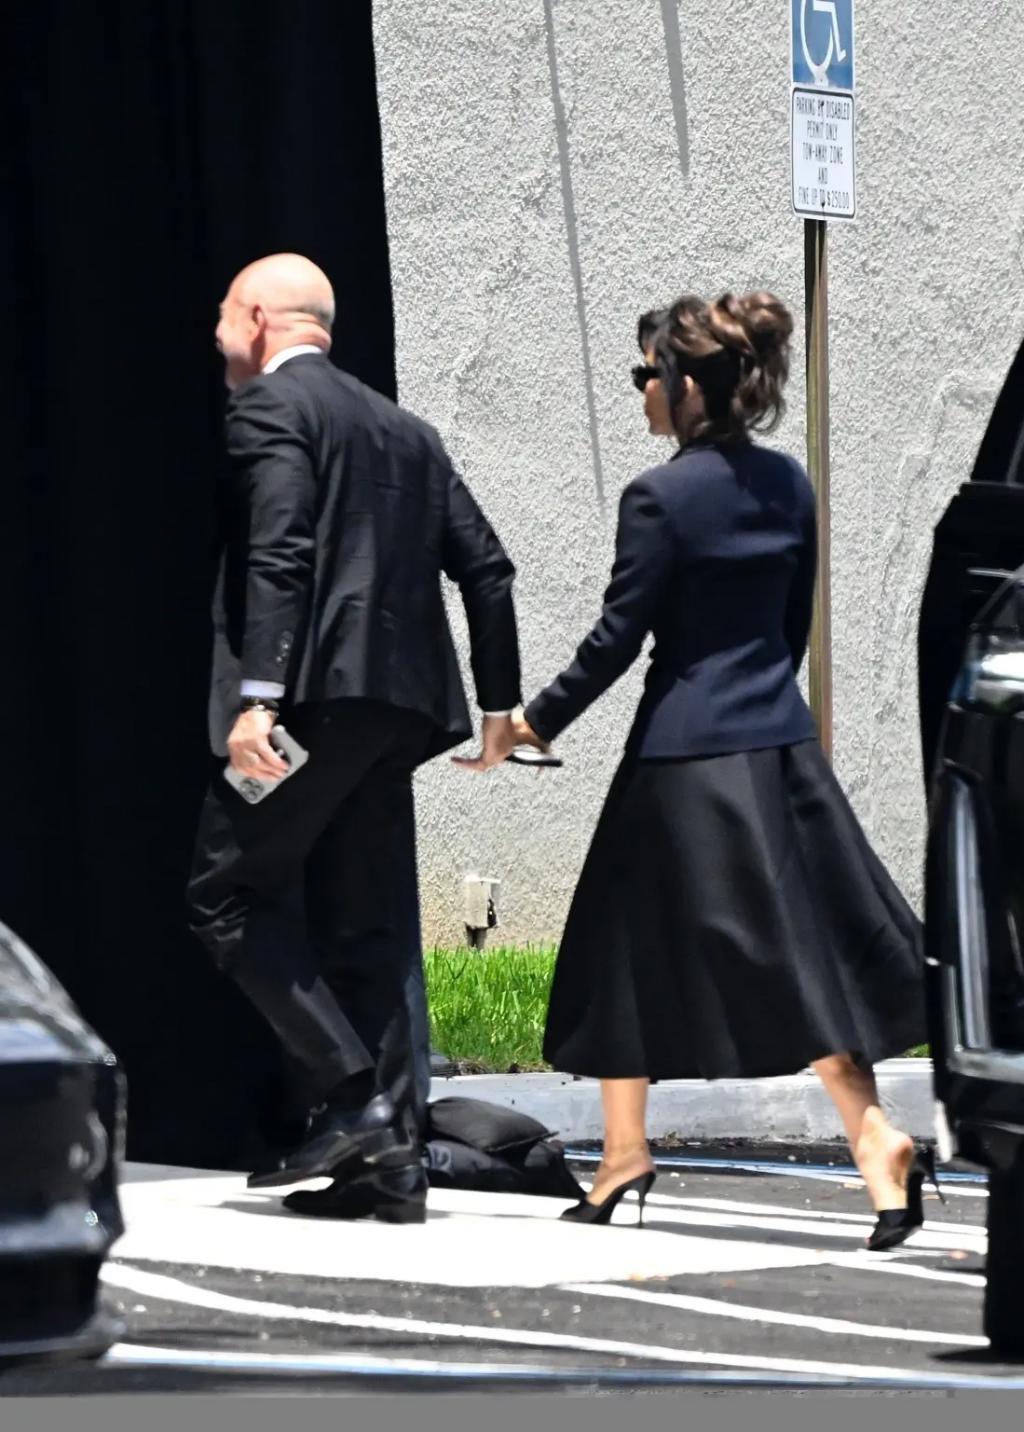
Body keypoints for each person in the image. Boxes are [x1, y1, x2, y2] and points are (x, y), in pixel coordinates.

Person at [457, 291, 931, 1250]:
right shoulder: (788, 484)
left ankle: (856, 1141)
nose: (640, 390)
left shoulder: (659, 498)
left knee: (622, 951)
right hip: (780, 750)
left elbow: (617, 639)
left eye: (647, 374)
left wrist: (527, 724)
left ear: (684, 388)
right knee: (797, 954)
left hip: (681, 762)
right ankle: (647, 1152)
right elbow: (791, 628)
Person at [187, 253, 522, 1223]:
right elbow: (488, 567)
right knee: (371, 925)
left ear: (258, 317)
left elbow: (281, 549)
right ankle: (393, 1163)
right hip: (398, 715)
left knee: (224, 893)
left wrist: (259, 698)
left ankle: (353, 1100)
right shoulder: (406, 430)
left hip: (308, 709)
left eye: (223, 313)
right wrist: (499, 707)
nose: (217, 333)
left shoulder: (269, 408)